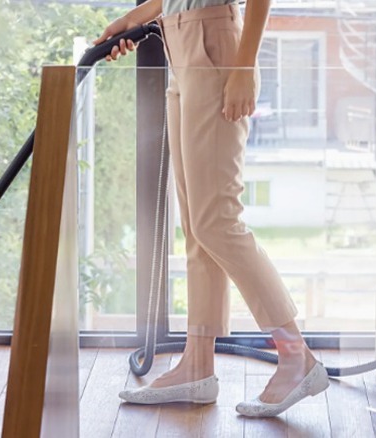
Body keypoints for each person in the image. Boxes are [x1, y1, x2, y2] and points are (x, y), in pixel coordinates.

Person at [93, 0, 329, 417]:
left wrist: (242, 67)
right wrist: (134, 18)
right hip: (179, 43)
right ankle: (197, 365)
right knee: (197, 225)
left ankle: (297, 356)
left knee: (217, 221)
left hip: (215, 45)